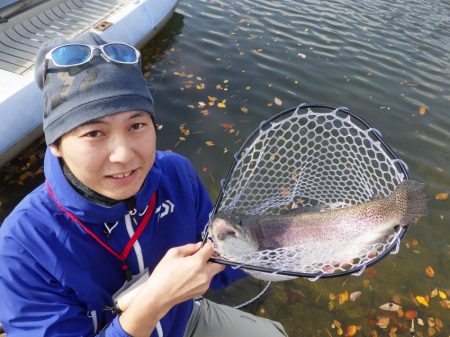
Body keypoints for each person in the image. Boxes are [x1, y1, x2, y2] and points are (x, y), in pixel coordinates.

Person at [0, 32, 288, 337]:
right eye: (94, 133)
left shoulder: (176, 174)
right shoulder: (22, 246)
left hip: (182, 318)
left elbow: (217, 256)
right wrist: (153, 302)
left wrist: (284, 252)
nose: (124, 155)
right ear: (56, 144)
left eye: (136, 125)